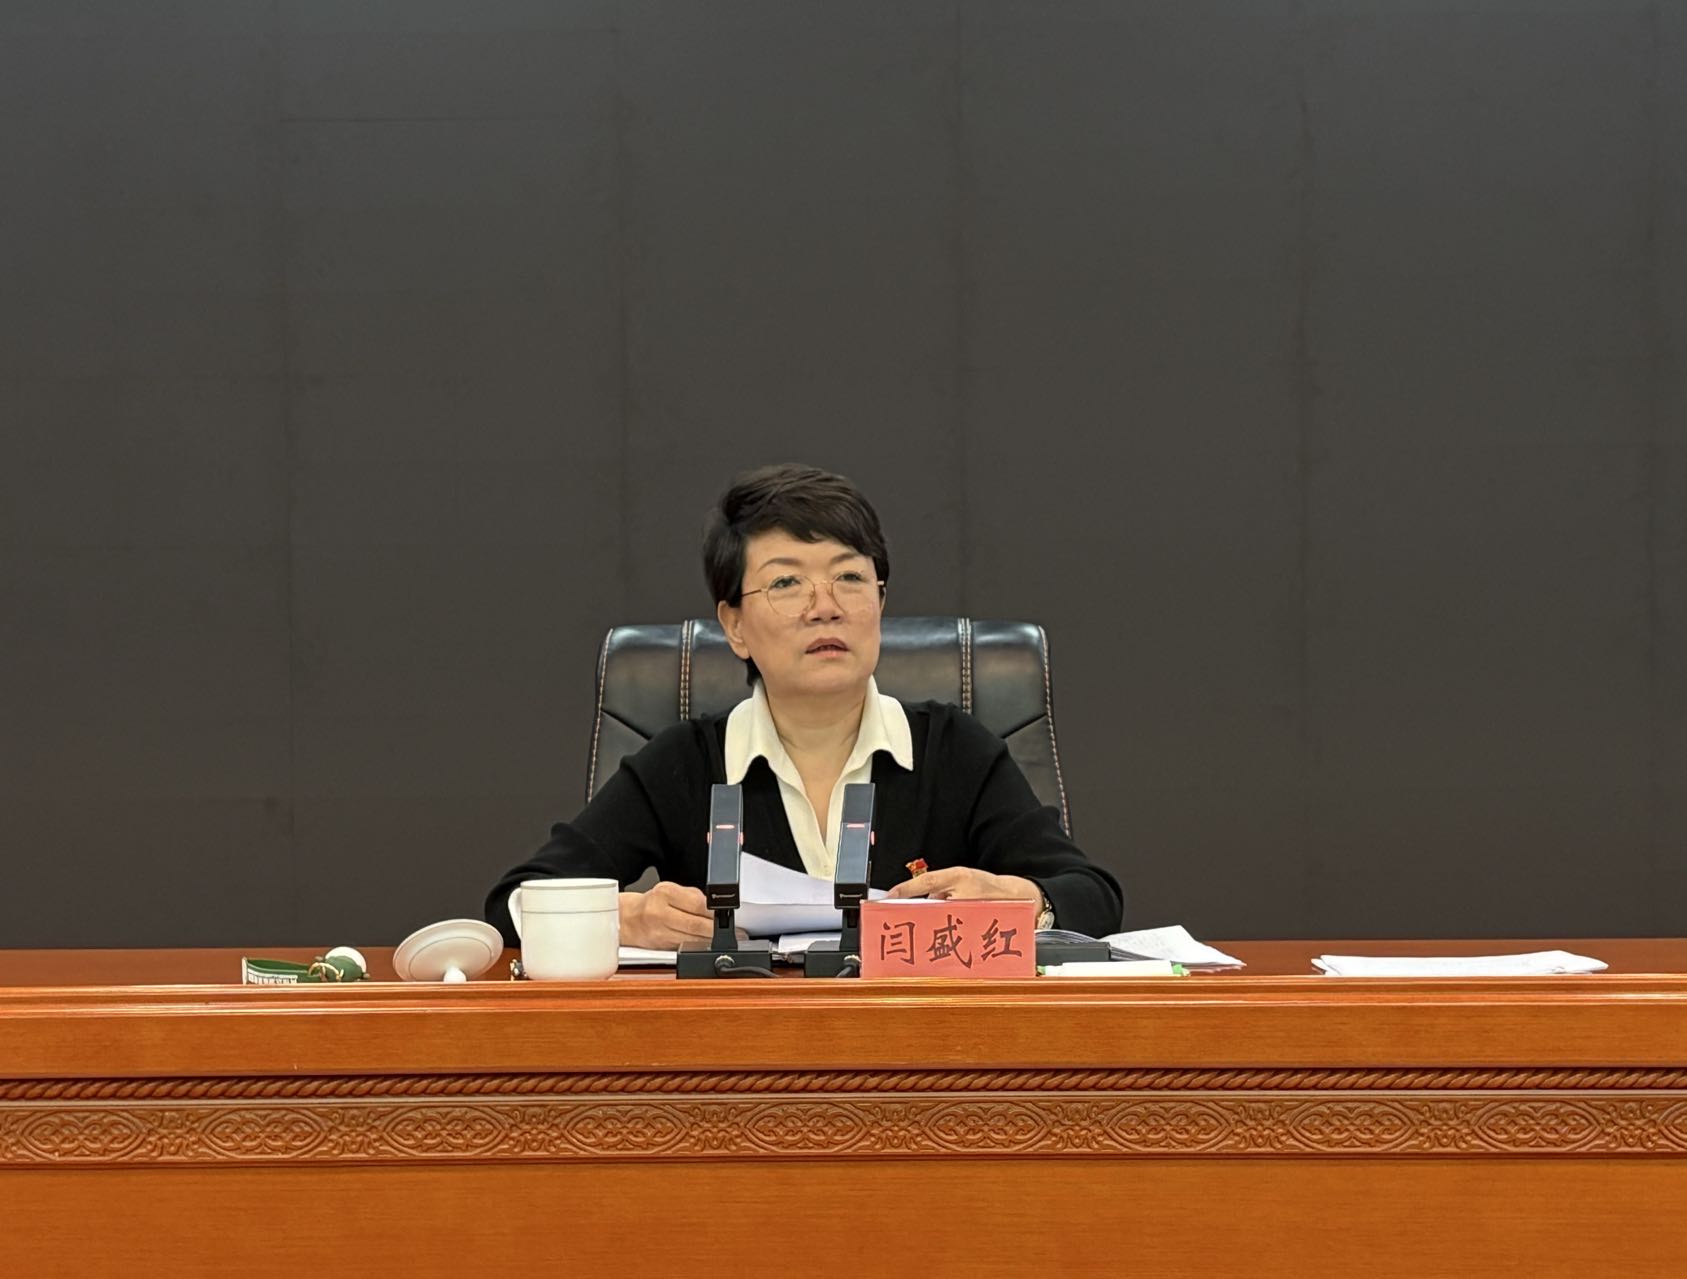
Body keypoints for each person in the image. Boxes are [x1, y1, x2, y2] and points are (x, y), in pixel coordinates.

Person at [485, 463, 1123, 949]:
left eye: (850, 577)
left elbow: (1093, 896)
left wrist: (1023, 901)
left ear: (879, 602)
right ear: (734, 625)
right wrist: (619, 917)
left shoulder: (955, 752)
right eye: (787, 582)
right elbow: (511, 904)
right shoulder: (687, 763)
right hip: (736, 1061)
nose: (826, 606)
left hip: (922, 1053)